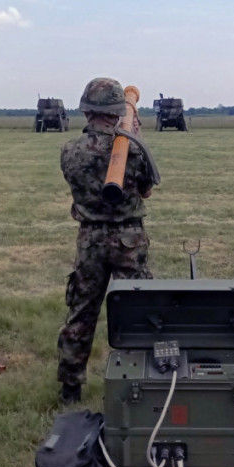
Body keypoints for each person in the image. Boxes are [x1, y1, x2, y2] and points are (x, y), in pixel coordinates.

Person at [57, 77, 157, 404]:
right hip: (129, 239)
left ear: (86, 111)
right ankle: (138, 382)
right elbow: (146, 190)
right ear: (117, 111)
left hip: (89, 240)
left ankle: (70, 388)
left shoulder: (69, 151)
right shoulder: (132, 148)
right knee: (138, 309)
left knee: (82, 311)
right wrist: (134, 138)